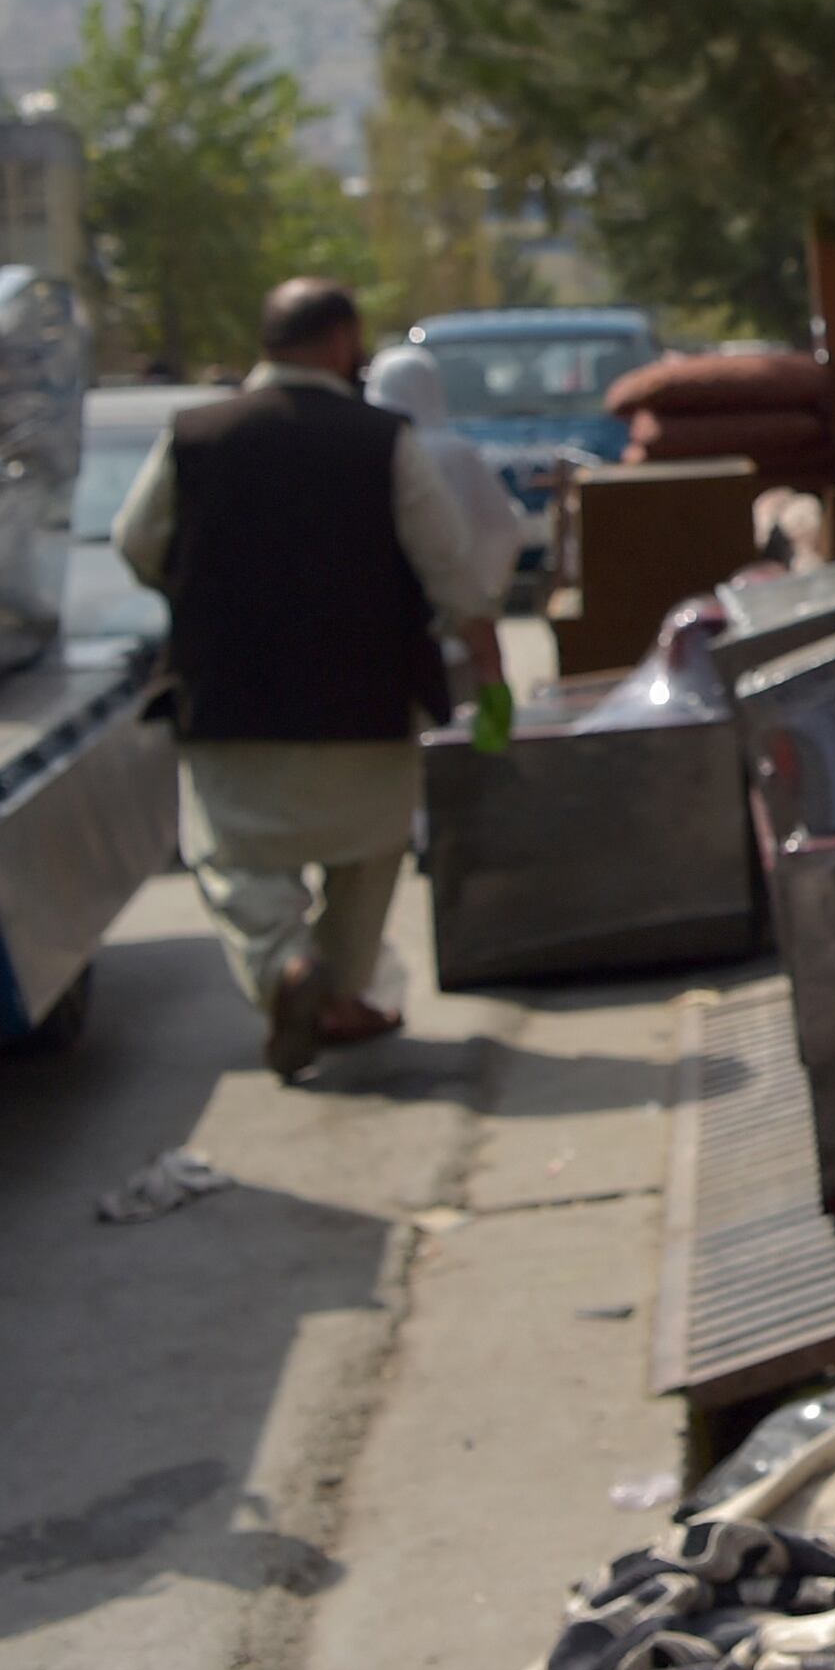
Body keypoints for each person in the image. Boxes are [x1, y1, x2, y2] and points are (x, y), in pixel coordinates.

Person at [114, 280, 502, 1080]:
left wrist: (201, 588)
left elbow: (137, 542)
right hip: (367, 699)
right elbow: (452, 568)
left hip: (229, 697)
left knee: (234, 857)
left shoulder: (196, 434)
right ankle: (342, 987)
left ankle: (285, 964)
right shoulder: (382, 439)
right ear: (341, 341)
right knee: (368, 854)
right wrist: (489, 667)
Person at [364, 342, 523, 700]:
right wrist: (483, 589)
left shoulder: (367, 448)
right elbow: (502, 528)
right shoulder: (456, 452)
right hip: (459, 627)